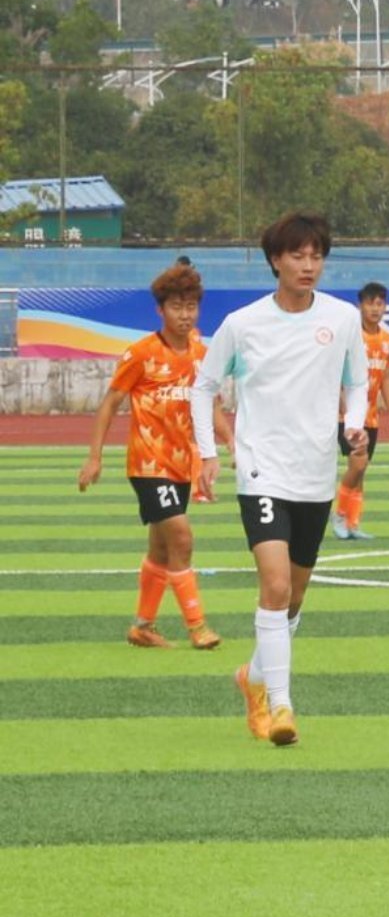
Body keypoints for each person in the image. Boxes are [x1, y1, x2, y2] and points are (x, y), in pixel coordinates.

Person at [191, 212, 368, 750]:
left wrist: (354, 424)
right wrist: (208, 453)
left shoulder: (341, 320)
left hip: (315, 474)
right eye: (297, 255)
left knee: (292, 600)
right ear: (276, 260)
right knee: (274, 586)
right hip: (261, 470)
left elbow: (357, 381)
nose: (308, 265)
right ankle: (282, 705)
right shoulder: (243, 324)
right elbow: (203, 387)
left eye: (316, 256)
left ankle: (253, 677)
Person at [77, 258, 228, 651]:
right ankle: (198, 627)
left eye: (191, 306)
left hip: (182, 465)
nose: (184, 314)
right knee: (181, 536)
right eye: (176, 307)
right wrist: (95, 457)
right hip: (148, 464)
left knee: (160, 548)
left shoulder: (201, 352)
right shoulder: (141, 353)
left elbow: (210, 403)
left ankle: (143, 626)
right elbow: (110, 403)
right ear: (160, 310)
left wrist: (231, 443)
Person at [332, 281, 389, 539]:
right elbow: (335, 372)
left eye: (380, 303)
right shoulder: (351, 337)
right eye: (370, 303)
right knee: (357, 463)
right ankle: (339, 514)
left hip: (371, 417)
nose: (375, 308)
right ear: (360, 306)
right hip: (349, 416)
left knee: (362, 469)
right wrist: (341, 403)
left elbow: (384, 378)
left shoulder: (386, 340)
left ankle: (353, 523)